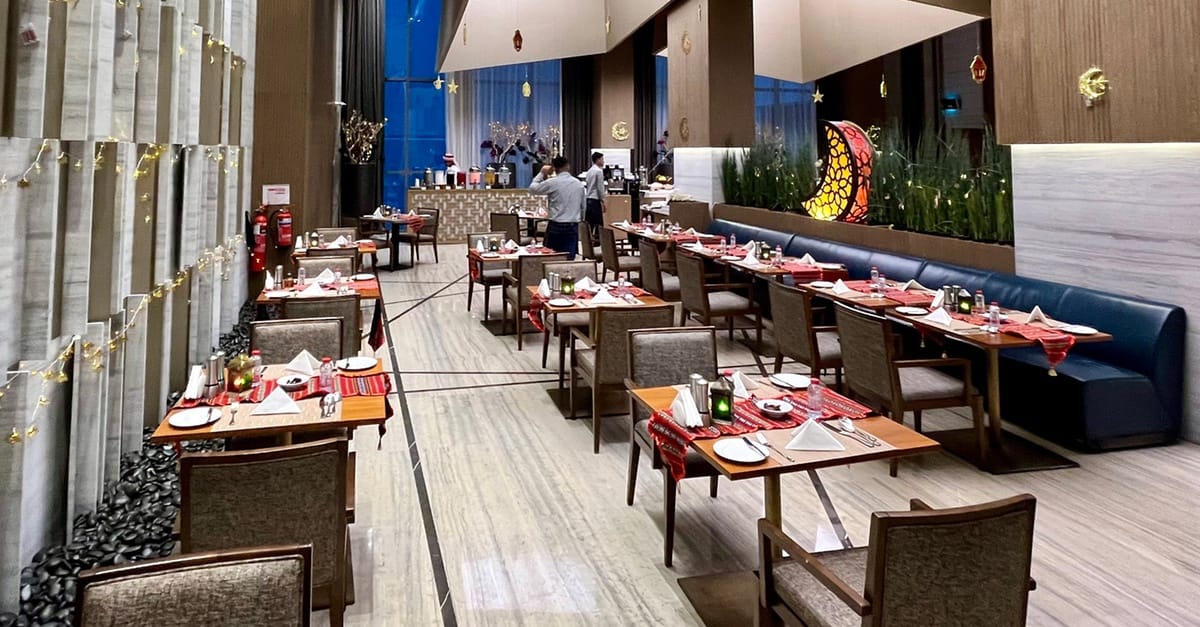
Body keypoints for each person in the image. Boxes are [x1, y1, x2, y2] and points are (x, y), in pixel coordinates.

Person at [529, 156, 585, 260]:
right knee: (569, 256)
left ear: (554, 168)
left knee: (551, 256)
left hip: (556, 224)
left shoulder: (552, 182)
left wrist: (542, 173)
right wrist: (581, 219)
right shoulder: (579, 184)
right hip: (572, 224)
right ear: (568, 166)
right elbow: (583, 206)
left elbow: (532, 189)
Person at [584, 152, 607, 239]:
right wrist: (603, 200)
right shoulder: (599, 171)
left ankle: (588, 241)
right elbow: (600, 187)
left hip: (588, 199)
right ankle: (598, 241)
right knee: (599, 224)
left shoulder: (590, 171)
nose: (603, 161)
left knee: (589, 224)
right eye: (602, 159)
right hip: (595, 200)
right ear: (597, 160)